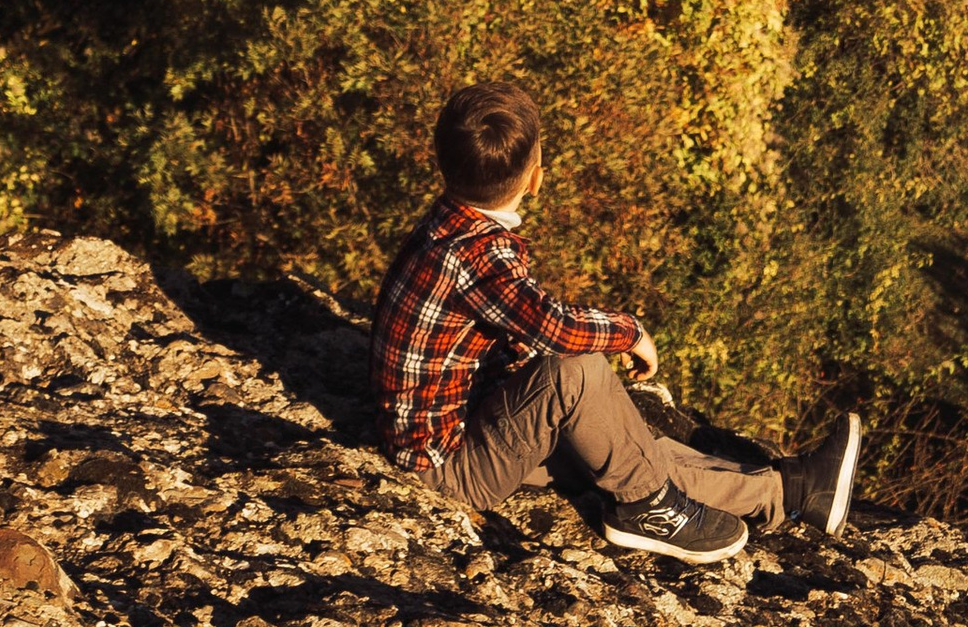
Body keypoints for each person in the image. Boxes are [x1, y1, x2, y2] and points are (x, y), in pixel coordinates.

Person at [369, 76, 861, 567]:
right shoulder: (479, 254)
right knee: (576, 374)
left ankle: (793, 491)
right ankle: (651, 510)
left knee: (623, 447)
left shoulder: (448, 224)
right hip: (449, 467)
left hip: (467, 428)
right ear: (536, 177)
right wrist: (632, 332)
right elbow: (555, 328)